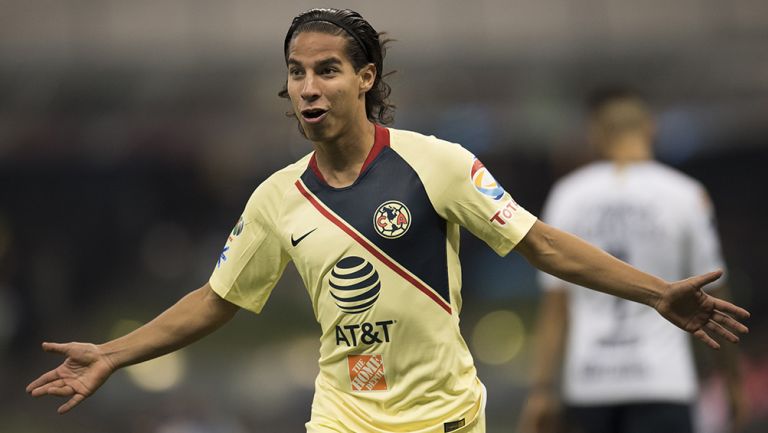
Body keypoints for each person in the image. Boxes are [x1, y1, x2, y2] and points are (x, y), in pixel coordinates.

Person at [26, 9, 749, 433]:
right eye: (297, 71)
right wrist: (117, 352)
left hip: (445, 417)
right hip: (340, 418)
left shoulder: (437, 164)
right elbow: (215, 301)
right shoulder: (276, 199)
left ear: (366, 77)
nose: (308, 86)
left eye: (327, 69)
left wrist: (658, 292)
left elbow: (542, 244)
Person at [518, 87, 750, 433]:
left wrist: (542, 390)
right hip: (663, 382)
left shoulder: (568, 195)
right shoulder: (684, 194)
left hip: (590, 385)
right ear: (650, 128)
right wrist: (732, 381)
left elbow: (556, 304)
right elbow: (715, 299)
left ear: (596, 135)